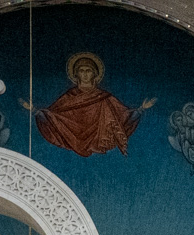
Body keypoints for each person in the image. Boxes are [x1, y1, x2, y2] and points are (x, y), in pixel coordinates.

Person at [28, 53, 156, 158]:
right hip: (71, 140)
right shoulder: (69, 97)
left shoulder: (105, 98)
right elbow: (54, 118)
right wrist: (35, 111)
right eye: (81, 71)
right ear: (76, 74)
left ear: (94, 74)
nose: (84, 74)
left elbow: (123, 118)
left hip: (99, 141)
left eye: (88, 71)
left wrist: (141, 109)